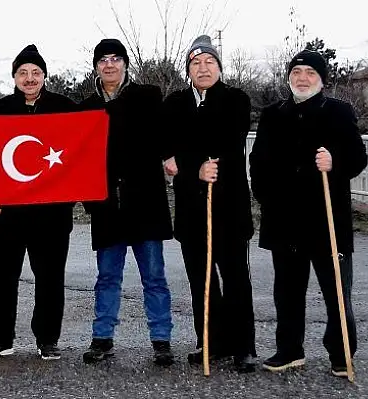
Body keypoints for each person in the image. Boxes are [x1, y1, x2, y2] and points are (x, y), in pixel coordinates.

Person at [250, 49, 367, 378]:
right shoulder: (274, 114)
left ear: (321, 79)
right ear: (289, 76)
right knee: (287, 291)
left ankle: (342, 353)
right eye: (297, 72)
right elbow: (257, 163)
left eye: (310, 73)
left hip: (327, 220)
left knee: (336, 292)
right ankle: (289, 350)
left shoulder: (339, 112)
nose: (302, 78)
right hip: (284, 220)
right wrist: (267, 199)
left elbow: (358, 158)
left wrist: (335, 163)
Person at [162, 35, 256, 372]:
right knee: (200, 279)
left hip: (228, 205)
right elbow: (167, 146)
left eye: (209, 63)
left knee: (234, 278)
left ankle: (243, 345)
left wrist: (191, 156)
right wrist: (191, 166)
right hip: (191, 208)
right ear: (188, 69)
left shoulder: (235, 99)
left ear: (219, 66)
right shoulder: (174, 103)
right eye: (195, 63)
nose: (202, 68)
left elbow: (229, 140)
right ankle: (212, 341)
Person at [78, 39, 174, 366]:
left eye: (115, 59)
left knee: (154, 278)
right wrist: (91, 201)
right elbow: (77, 159)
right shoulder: (87, 107)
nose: (109, 65)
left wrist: (172, 158)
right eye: (103, 59)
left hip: (145, 206)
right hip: (107, 209)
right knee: (107, 278)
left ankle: (162, 339)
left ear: (125, 64)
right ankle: (102, 337)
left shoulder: (147, 97)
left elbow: (167, 137)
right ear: (96, 66)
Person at [0, 44, 77, 361]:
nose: (30, 78)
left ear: (44, 75)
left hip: (52, 215)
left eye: (35, 72)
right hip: (7, 214)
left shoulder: (66, 109)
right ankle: (0, 338)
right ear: (14, 77)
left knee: (50, 278)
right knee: (4, 278)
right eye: (23, 73)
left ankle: (47, 338)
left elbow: (80, 154)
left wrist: (72, 194)